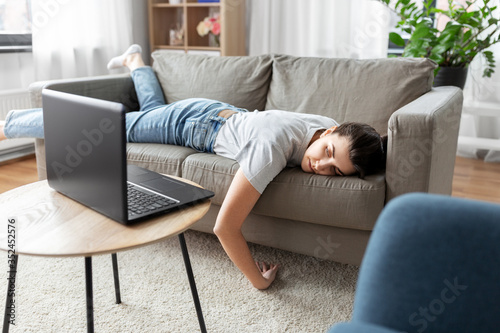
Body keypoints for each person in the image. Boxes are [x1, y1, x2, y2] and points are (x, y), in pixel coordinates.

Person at [0, 45, 387, 290]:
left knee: (147, 114)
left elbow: (345, 149)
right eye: (326, 151)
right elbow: (225, 227)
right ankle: (8, 124)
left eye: (334, 171)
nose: (320, 164)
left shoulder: (326, 124)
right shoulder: (272, 148)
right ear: (331, 131)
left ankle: (136, 60)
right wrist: (259, 281)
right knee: (107, 128)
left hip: (217, 114)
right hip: (192, 124)